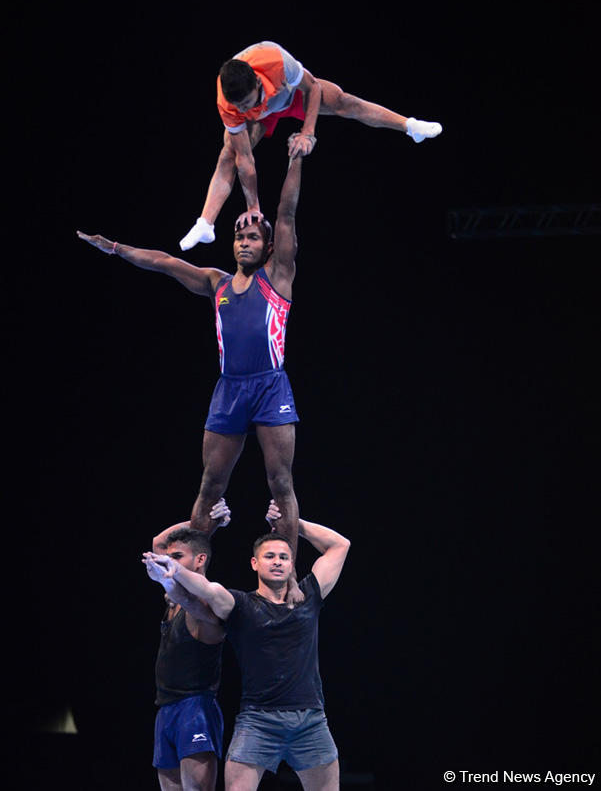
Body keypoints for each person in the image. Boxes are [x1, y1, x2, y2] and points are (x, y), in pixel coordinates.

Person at [77, 153, 307, 599]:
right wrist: (116, 248)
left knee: (281, 484)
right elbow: (164, 262)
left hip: (270, 386)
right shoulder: (215, 283)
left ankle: (290, 582)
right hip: (230, 391)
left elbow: (287, 212)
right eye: (238, 236)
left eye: (252, 237)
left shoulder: (278, 276)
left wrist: (296, 158)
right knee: (210, 486)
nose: (243, 242)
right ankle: (188, 585)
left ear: (268, 248)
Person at [143, 502, 351, 791]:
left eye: (283, 557)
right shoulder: (241, 604)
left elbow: (340, 545)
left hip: (310, 719)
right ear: (255, 563)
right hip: (257, 720)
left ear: (292, 564)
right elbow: (208, 590)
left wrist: (294, 523)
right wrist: (175, 569)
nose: (277, 561)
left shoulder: (308, 596)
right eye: (269, 556)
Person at [179, 39, 443, 248]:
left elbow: (313, 88)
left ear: (258, 81)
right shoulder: (228, 103)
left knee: (343, 101)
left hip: (291, 96)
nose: (246, 109)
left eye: (248, 102)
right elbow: (245, 161)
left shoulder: (276, 60)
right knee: (229, 153)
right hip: (261, 120)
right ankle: (206, 223)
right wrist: (253, 207)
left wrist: (308, 132)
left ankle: (410, 126)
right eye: (241, 107)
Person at [145, 498, 231, 791]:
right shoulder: (173, 597)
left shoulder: (209, 600)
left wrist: (171, 583)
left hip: (195, 708)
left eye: (177, 557)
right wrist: (208, 523)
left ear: (200, 560)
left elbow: (195, 605)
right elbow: (158, 542)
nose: (168, 561)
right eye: (169, 557)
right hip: (165, 708)